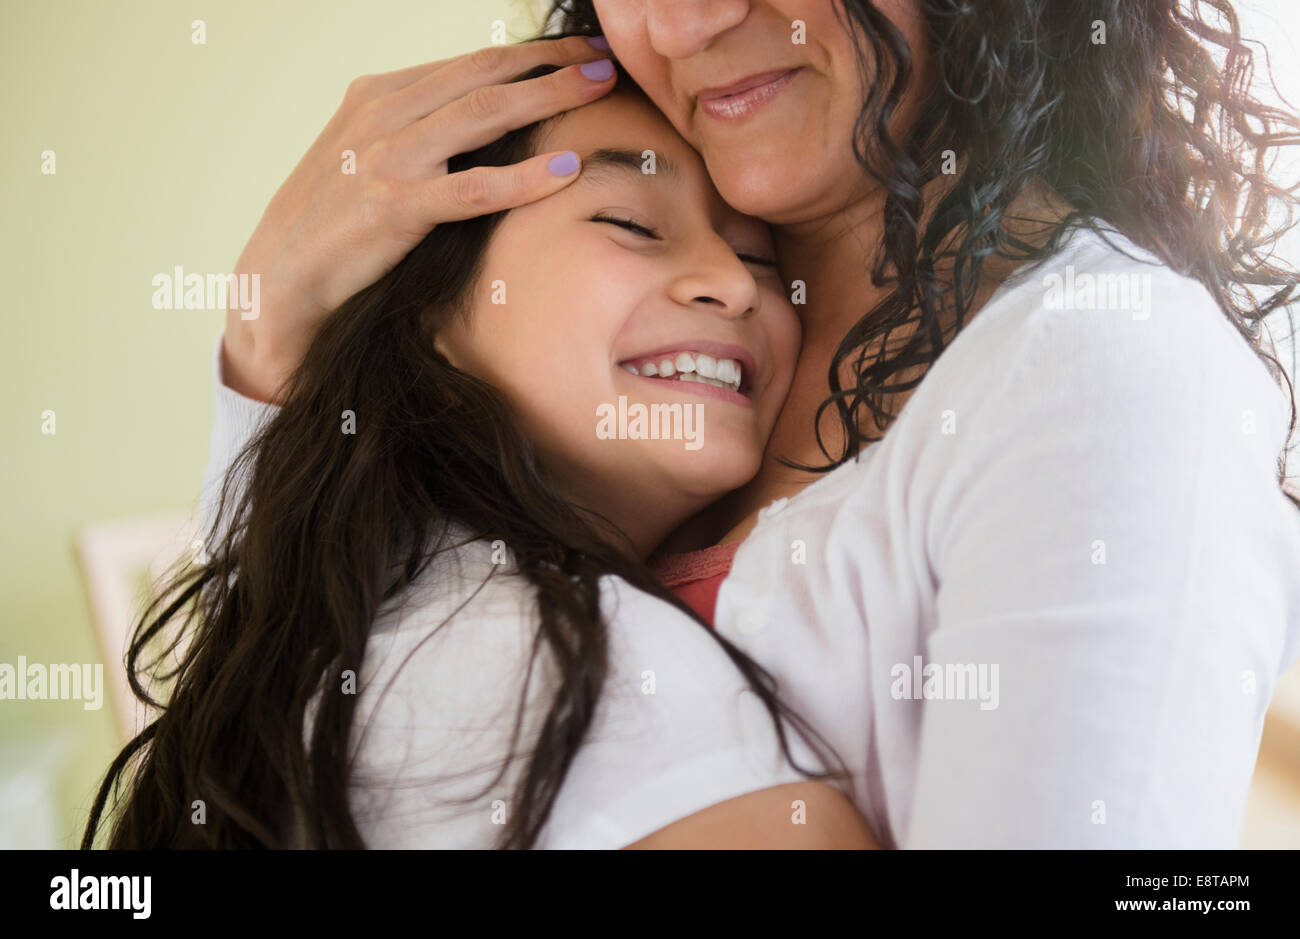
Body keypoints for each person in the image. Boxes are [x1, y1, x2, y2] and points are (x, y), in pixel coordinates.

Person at [147, 0, 1300, 847]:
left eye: (747, 264)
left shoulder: (1104, 363)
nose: (686, 18)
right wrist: (276, 338)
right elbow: (311, 659)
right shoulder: (645, 303)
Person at [81, 69, 877, 850]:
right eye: (632, 223)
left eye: (764, 258)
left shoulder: (350, 604)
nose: (732, 284)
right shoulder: (569, 666)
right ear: (429, 300)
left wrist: (268, 342)